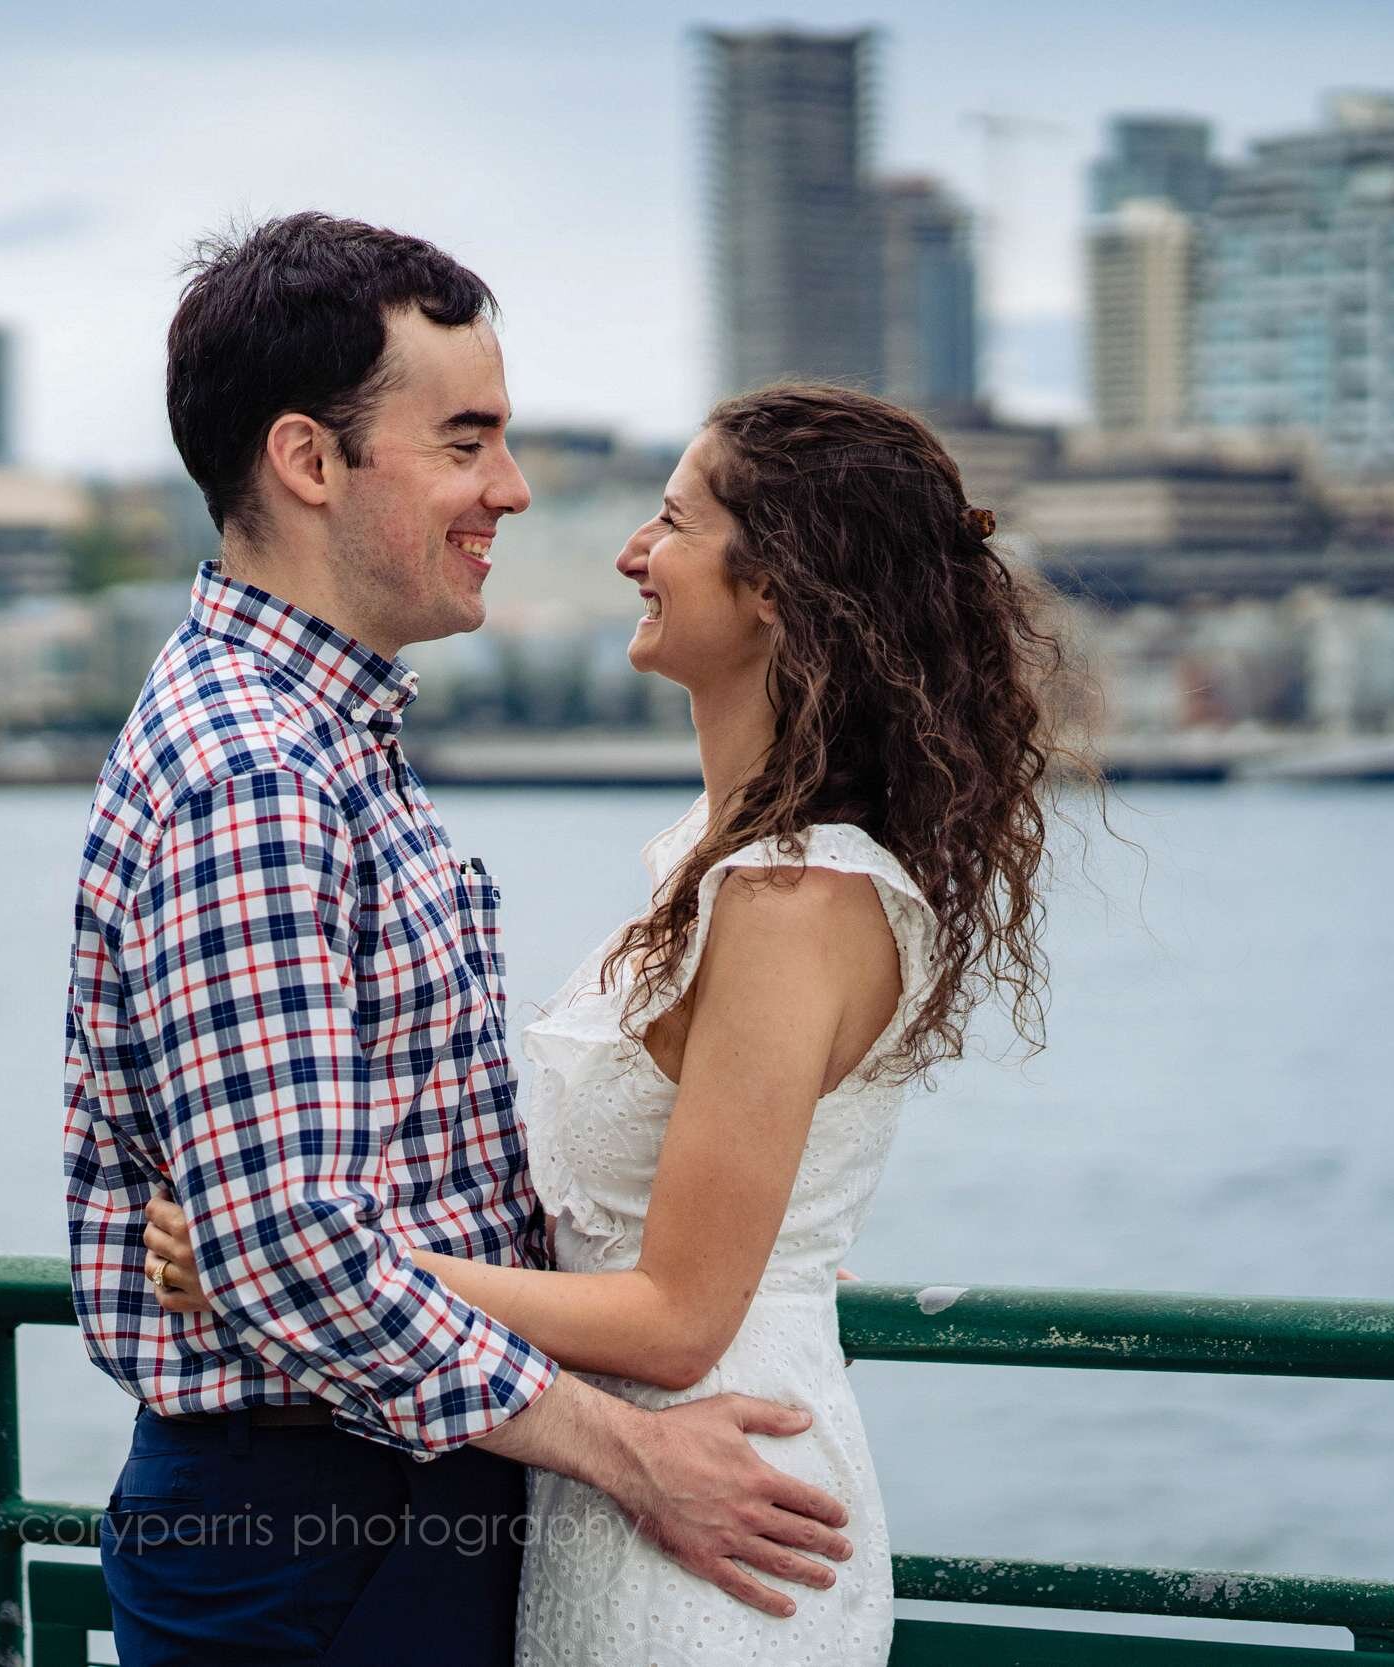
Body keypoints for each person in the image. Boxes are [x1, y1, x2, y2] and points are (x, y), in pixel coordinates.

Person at [146, 382, 1077, 1663]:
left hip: (715, 1489)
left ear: (773, 592)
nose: (632, 552)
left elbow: (679, 1314)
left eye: (671, 521)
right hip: (621, 1471)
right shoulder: (719, 861)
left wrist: (282, 1261)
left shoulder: (793, 895)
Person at [60, 215, 859, 1667]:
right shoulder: (258, 772)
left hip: (383, 1493)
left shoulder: (323, 738)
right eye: (467, 441)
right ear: (310, 462)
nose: (513, 487)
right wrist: (630, 1452)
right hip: (319, 1518)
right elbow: (298, 1248)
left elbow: (311, 1219)